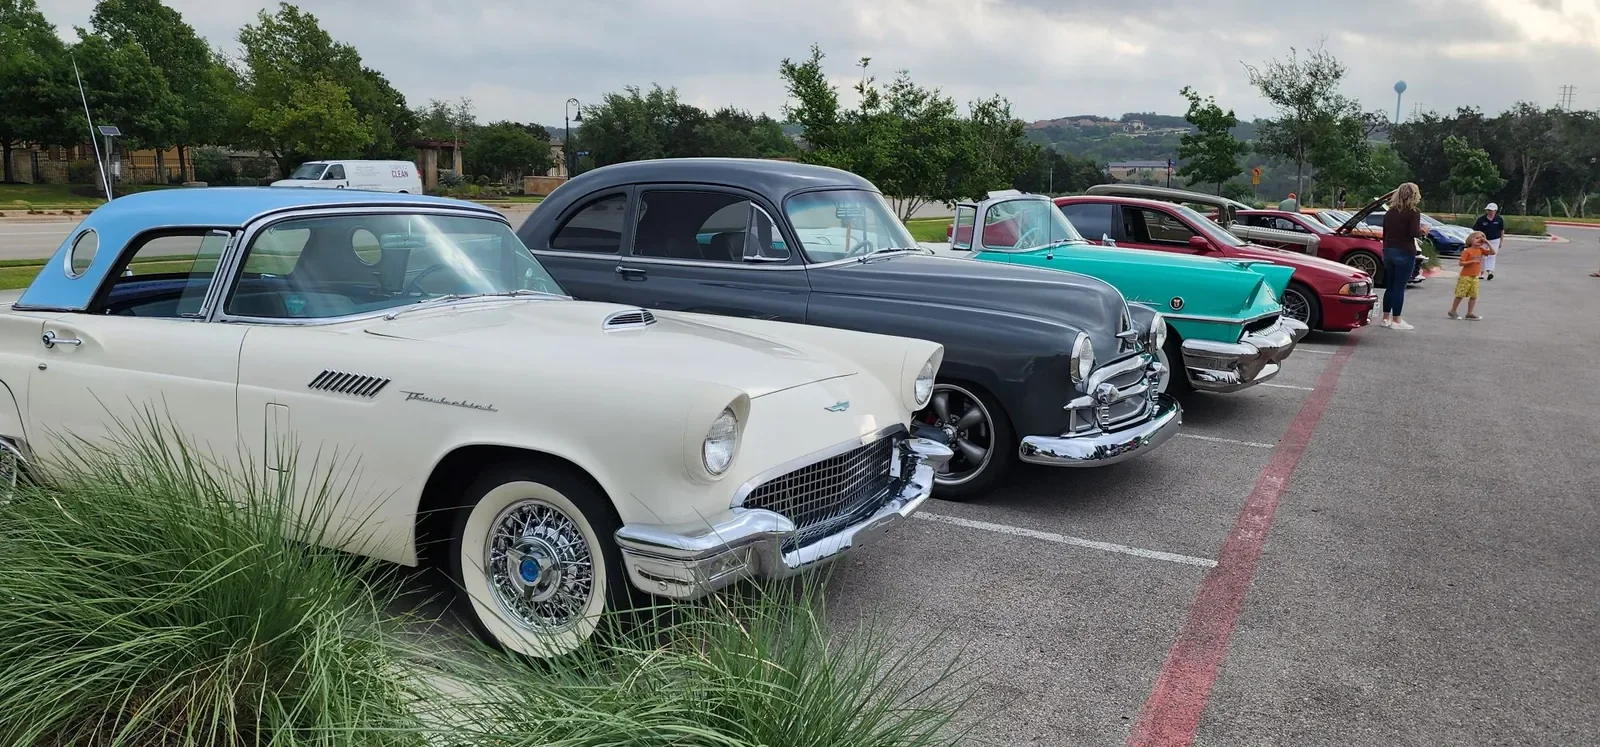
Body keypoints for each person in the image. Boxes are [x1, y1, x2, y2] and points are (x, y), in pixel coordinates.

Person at [1380, 182, 1426, 330]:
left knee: (1391, 286)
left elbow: (1385, 232)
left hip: (1389, 250)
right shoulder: (1413, 212)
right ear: (1414, 195)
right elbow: (1413, 232)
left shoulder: (1390, 212)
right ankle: (1397, 320)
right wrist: (1423, 231)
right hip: (1405, 251)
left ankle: (1385, 318)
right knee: (1400, 287)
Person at [1448, 231, 1495, 320]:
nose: (1479, 240)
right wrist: (1471, 261)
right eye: (1477, 238)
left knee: (1474, 295)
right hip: (1465, 276)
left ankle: (1470, 313)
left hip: (1475, 276)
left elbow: (1492, 252)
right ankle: (1453, 310)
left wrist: (1487, 242)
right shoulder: (1467, 251)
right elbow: (1461, 263)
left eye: (1481, 238)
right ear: (1470, 240)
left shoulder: (1481, 250)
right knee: (1460, 294)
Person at [1472, 203, 1504, 280]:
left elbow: (1502, 230)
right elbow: (1475, 230)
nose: (1490, 212)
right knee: (1482, 256)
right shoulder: (1481, 219)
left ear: (1495, 211)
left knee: (1492, 255)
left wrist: (1501, 242)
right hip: (1483, 240)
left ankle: (1490, 272)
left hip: (1495, 240)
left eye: (1492, 210)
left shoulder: (1499, 219)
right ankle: (1481, 273)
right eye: (1489, 210)